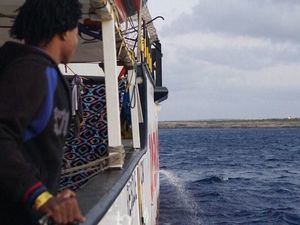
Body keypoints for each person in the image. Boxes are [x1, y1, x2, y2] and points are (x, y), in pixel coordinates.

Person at [0, 0, 85, 224]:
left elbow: (28, 150)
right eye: (77, 30)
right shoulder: (32, 72)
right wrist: (41, 197)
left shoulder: (32, 70)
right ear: (65, 32)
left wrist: (51, 195)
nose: (77, 39)